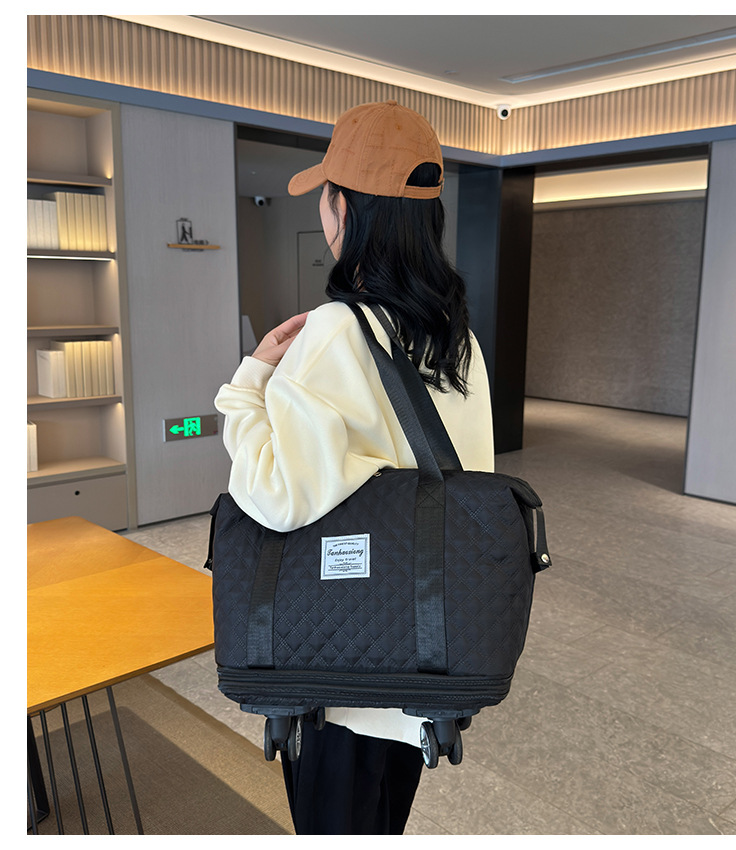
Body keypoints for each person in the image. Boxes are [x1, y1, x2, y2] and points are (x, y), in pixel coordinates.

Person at [214, 100, 495, 835]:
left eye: (327, 196)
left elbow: (276, 498)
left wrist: (248, 384)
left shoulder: (337, 330)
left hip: (340, 665)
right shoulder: (457, 339)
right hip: (424, 657)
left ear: (344, 208)